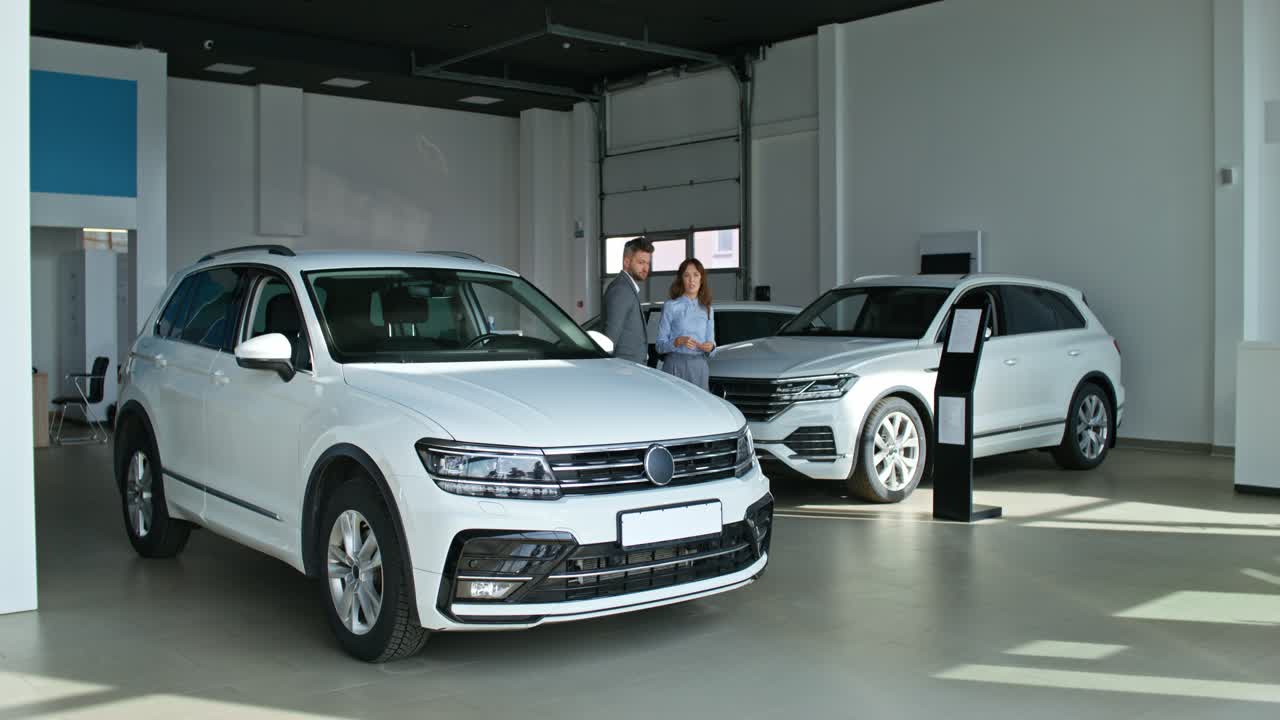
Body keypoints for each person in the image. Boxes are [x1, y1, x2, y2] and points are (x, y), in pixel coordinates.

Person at [656, 258, 715, 390]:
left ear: (701, 279)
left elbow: (712, 346)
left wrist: (710, 347)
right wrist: (677, 341)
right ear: (681, 279)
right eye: (687, 275)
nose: (691, 280)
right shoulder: (670, 306)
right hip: (675, 365)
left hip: (699, 367)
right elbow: (659, 346)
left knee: (700, 408)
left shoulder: (708, 309)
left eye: (696, 275)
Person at [602, 237, 653, 365]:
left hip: (631, 368)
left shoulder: (628, 288)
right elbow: (610, 338)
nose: (646, 268)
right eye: (641, 262)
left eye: (648, 263)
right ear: (626, 262)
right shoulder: (621, 289)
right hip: (624, 369)